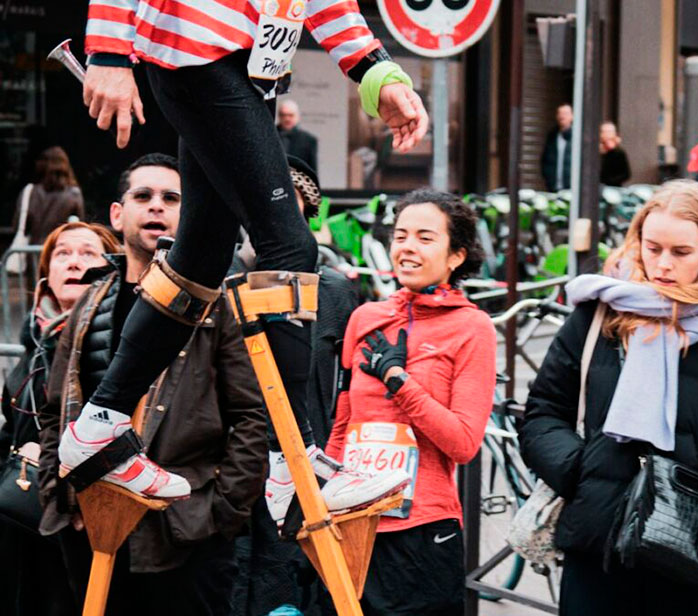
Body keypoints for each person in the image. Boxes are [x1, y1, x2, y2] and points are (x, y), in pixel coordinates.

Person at [60, 0, 427, 510]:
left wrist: (376, 70)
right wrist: (109, 52)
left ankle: (100, 423)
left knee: (199, 261)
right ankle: (294, 465)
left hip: (247, 61)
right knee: (290, 247)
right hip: (198, 48)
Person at [520, 180, 698, 616]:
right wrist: (579, 468)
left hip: (685, 544)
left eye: (681, 252)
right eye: (653, 248)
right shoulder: (598, 314)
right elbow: (542, 413)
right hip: (595, 538)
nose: (663, 265)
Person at [36, 153, 268, 616]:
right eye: (143, 196)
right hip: (92, 526)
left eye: (171, 198)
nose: (156, 206)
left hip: (183, 531)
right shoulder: (87, 305)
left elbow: (252, 414)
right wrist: (59, 495)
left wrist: (217, 514)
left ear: (190, 213)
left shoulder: (218, 302)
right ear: (118, 214)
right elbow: (54, 411)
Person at [324, 189, 496, 615]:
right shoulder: (366, 319)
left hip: (422, 530)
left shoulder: (472, 327)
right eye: (400, 236)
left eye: (424, 237)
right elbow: (344, 424)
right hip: (351, 523)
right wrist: (321, 498)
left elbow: (464, 442)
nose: (407, 247)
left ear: (456, 255)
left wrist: (401, 383)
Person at [231, 156, 361, 616]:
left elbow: (350, 387)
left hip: (304, 471)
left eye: (292, 210)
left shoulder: (336, 292)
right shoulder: (221, 286)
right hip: (232, 482)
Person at [0, 221, 119, 616]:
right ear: (46, 275)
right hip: (23, 517)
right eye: (63, 253)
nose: (74, 262)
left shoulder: (117, 343)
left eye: (88, 253)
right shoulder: (32, 341)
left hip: (85, 518)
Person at [13, 146, 85, 245]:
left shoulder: (30, 192)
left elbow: (18, 226)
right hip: (59, 249)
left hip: (32, 251)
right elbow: (79, 227)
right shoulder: (74, 194)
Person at [277, 100, 319, 173]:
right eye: (283, 115)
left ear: (297, 116)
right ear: (279, 116)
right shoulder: (270, 136)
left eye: (290, 115)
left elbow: (312, 169)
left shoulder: (308, 140)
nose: (287, 119)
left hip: (298, 181)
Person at [542, 103, 574, 192]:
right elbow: (545, 160)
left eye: (565, 113)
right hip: (553, 187)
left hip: (571, 188)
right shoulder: (552, 136)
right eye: (560, 113)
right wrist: (548, 178)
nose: (562, 116)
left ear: (572, 116)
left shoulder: (578, 137)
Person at [599, 121, 631, 186]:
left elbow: (626, 174)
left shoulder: (619, 153)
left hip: (613, 187)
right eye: (606, 132)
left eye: (610, 132)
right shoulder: (596, 151)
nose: (608, 134)